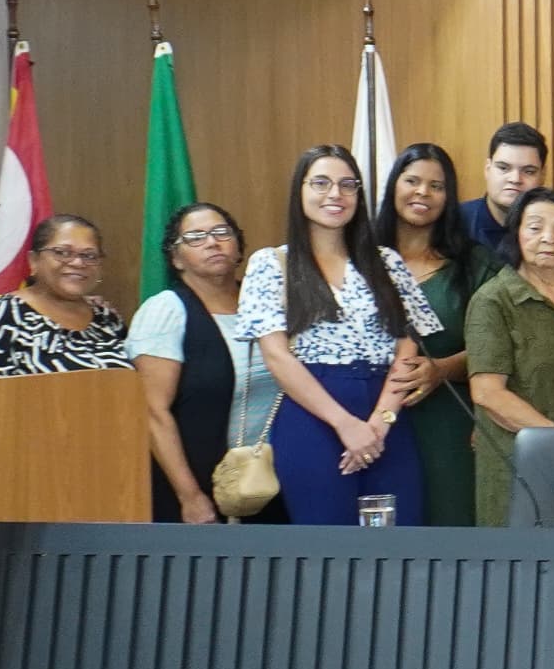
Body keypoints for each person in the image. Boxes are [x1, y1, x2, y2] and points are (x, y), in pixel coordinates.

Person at [238, 144, 431, 527]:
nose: (335, 195)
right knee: (327, 544)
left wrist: (379, 423)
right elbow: (277, 357)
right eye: (321, 183)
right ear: (300, 191)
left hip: (385, 414)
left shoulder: (388, 263)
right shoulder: (271, 263)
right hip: (314, 416)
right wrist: (345, 424)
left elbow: (406, 347)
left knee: (399, 540)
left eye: (347, 185)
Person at [465, 187, 554, 527]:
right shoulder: (493, 300)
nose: (548, 238)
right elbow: (487, 392)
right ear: (516, 236)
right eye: (535, 227)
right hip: (516, 468)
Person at [127, 200, 272, 522]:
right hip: (202, 490)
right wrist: (189, 496)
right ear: (176, 258)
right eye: (195, 237)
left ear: (238, 247)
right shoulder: (165, 311)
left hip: (270, 483)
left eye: (222, 232)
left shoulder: (268, 304)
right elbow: (152, 413)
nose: (212, 241)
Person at [378, 143, 482, 525]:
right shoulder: (357, 260)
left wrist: (442, 369)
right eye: (412, 181)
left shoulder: (473, 263)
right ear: (393, 187)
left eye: (436, 186)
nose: (422, 192)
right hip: (367, 419)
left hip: (448, 425)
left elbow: (502, 347)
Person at [0, 212, 132, 375]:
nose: (78, 263)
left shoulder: (107, 317)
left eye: (90, 255)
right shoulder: (5, 315)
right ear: (34, 261)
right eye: (62, 252)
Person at [460, 121, 550, 275]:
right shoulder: (455, 222)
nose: (515, 179)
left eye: (528, 171)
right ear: (487, 169)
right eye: (503, 168)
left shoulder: (553, 232)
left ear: (542, 176)